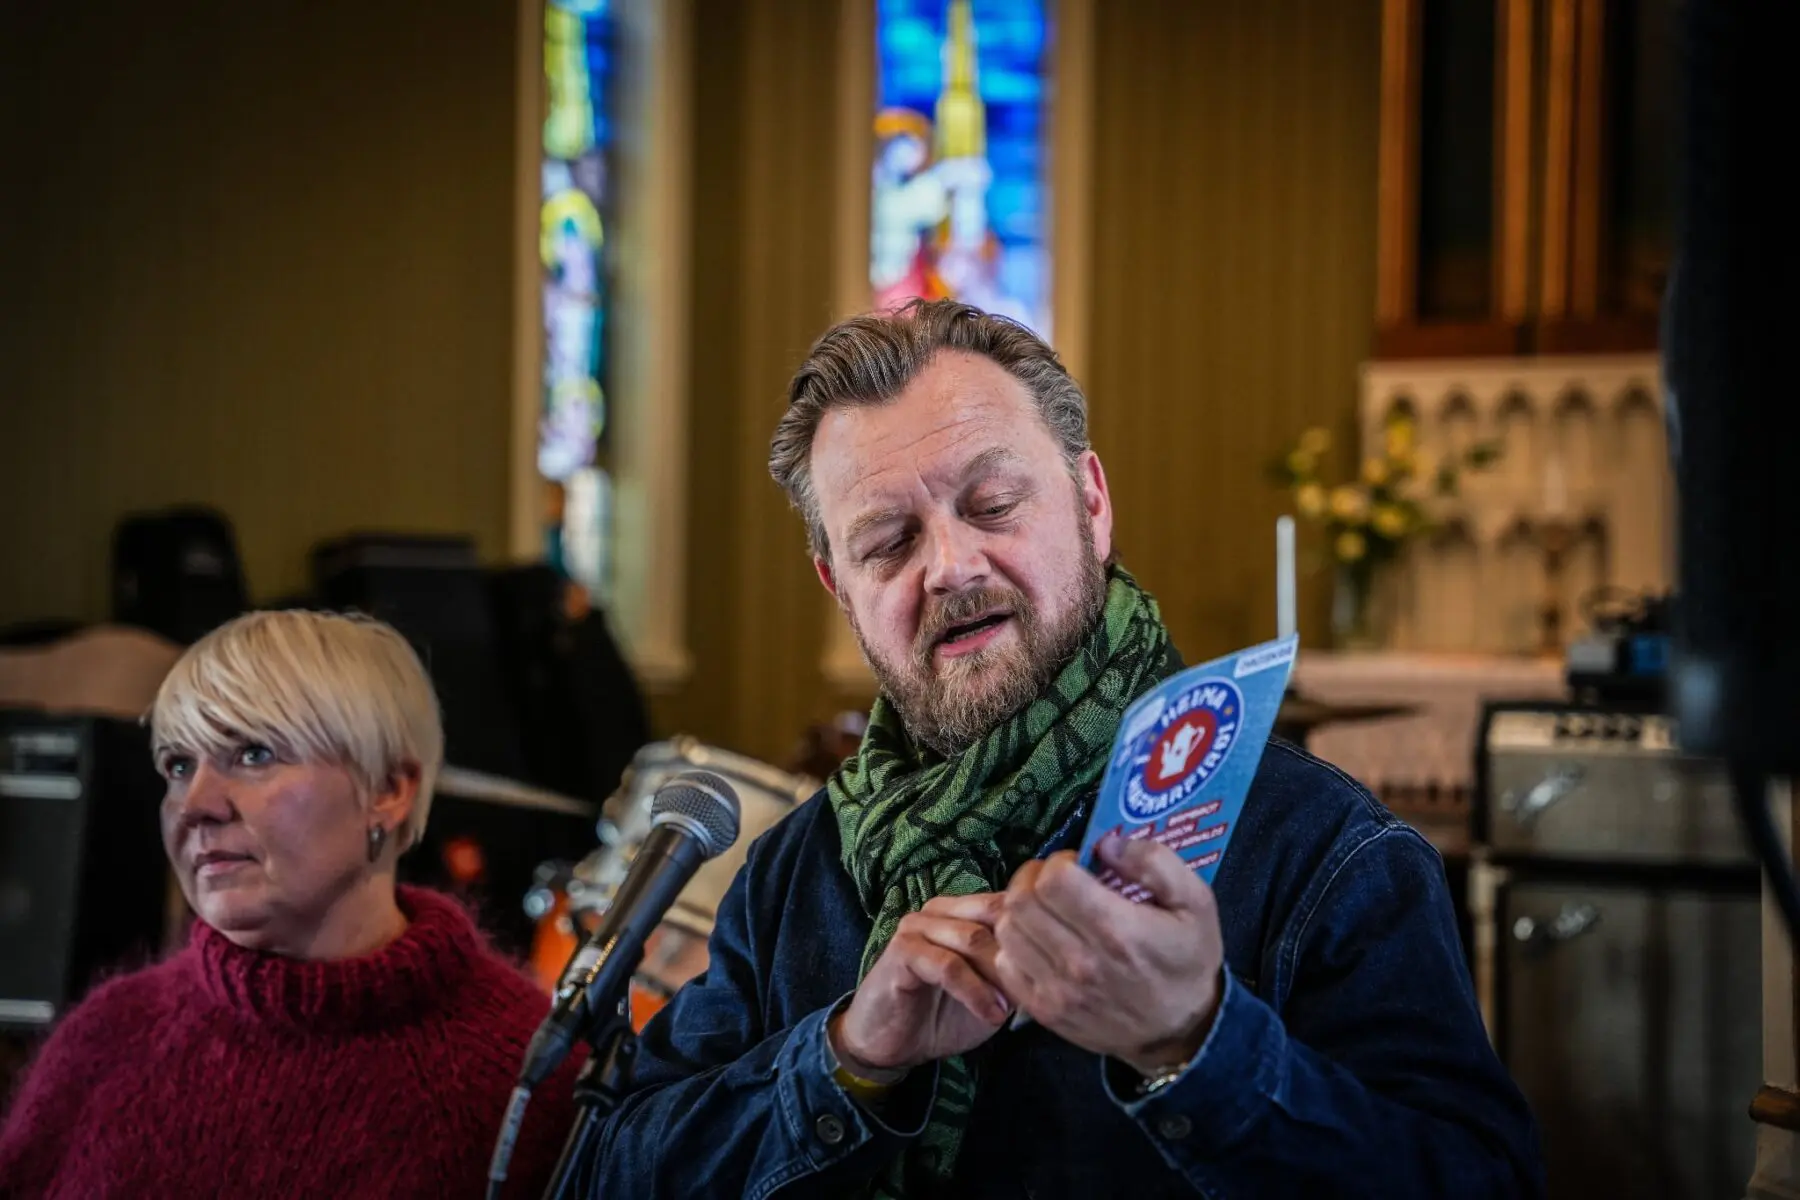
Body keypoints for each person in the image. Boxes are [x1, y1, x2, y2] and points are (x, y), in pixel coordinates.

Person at [586, 299, 1544, 1197]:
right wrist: (846, 1060)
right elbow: (608, 1168)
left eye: (994, 503)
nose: (950, 565)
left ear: (1091, 502)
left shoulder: (1322, 849)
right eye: (887, 542)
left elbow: (1482, 1180)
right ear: (840, 588)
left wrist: (1198, 1047)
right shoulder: (797, 870)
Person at [0, 610, 578, 1198]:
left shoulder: (535, 1079)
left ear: (387, 789)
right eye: (179, 765)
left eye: (253, 755)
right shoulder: (104, 1039)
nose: (195, 804)